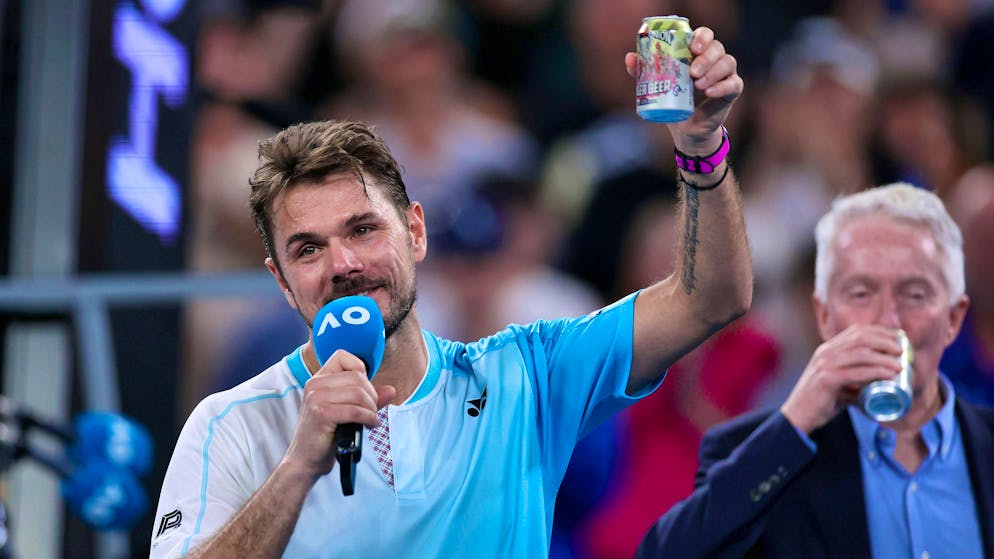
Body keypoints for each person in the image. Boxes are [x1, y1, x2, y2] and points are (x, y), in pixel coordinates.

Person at [149, 25, 748, 558]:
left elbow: (711, 298)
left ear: (415, 231)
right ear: (279, 279)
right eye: (307, 249)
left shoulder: (527, 375)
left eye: (362, 228)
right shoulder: (228, 424)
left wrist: (700, 149)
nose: (344, 263)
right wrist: (298, 467)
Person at [637, 183, 994, 559]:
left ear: (954, 318)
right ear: (823, 316)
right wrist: (792, 425)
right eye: (860, 293)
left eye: (916, 294)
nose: (889, 319)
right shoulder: (758, 453)